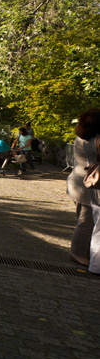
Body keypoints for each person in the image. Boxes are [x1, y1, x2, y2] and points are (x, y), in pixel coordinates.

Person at [67, 109, 100, 269]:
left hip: (77, 181)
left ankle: (85, 250)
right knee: (86, 221)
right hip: (88, 184)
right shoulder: (94, 141)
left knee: (84, 219)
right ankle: (77, 253)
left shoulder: (81, 137)